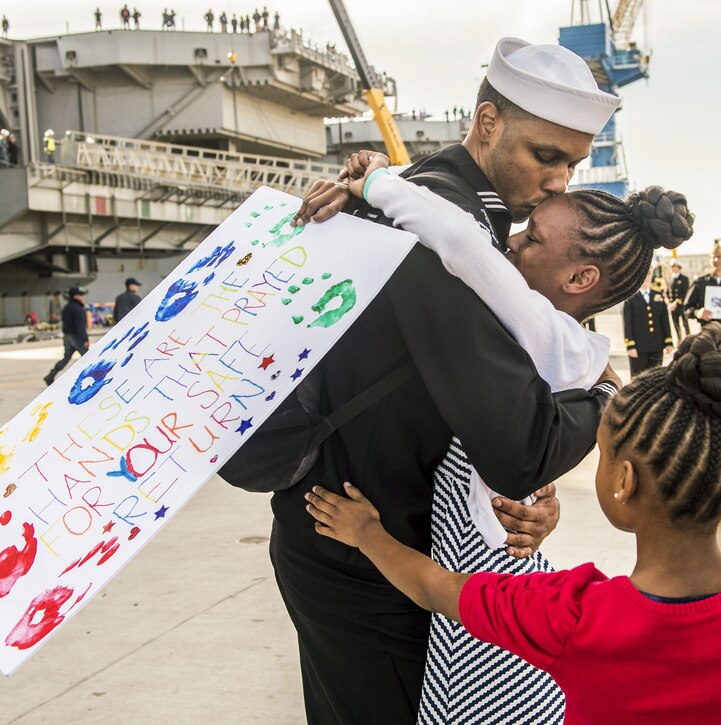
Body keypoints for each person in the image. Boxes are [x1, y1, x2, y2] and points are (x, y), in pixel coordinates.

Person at [220, 37, 622, 724]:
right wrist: (610, 398)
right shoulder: (445, 234)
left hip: (370, 535)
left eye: (572, 164)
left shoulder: (429, 201)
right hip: (367, 553)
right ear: (488, 123)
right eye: (546, 155)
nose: (559, 180)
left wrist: (526, 501)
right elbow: (517, 444)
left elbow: (469, 415)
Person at [306, 325, 721, 725]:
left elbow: (431, 585)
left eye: (600, 456)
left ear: (623, 483)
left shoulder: (569, 613)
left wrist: (366, 531)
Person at [313, 135, 691, 725]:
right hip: (505, 582)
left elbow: (462, 243)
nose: (511, 241)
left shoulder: (536, 322)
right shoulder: (582, 354)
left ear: (580, 277)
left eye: (533, 239)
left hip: (478, 606)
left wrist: (380, 181)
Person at [623, 277, 673, 375]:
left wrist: (668, 342)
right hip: (638, 347)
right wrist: (630, 346)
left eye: (649, 273)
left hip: (657, 345)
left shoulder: (658, 295)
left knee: (655, 378)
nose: (646, 277)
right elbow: (627, 323)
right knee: (638, 379)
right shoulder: (630, 298)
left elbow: (665, 320)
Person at [685, 242, 721, 328]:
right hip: (707, 333)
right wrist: (697, 313)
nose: (716, 260)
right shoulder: (700, 283)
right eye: (713, 257)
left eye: (719, 257)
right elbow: (686, 308)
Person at [43, 287, 90, 386]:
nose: (82, 297)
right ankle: (91, 378)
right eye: (81, 295)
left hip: (67, 336)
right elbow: (80, 325)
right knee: (88, 357)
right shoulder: (78, 309)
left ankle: (51, 375)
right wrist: (85, 339)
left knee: (66, 357)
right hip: (76, 336)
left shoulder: (67, 307)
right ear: (76, 296)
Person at [666, 260, 691, 341]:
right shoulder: (670, 279)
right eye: (672, 267)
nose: (673, 268)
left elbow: (685, 293)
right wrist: (669, 303)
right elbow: (668, 292)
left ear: (679, 268)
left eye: (675, 267)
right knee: (676, 325)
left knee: (685, 324)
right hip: (673, 307)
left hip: (682, 306)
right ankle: (679, 340)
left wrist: (676, 303)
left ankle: (689, 339)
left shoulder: (684, 279)